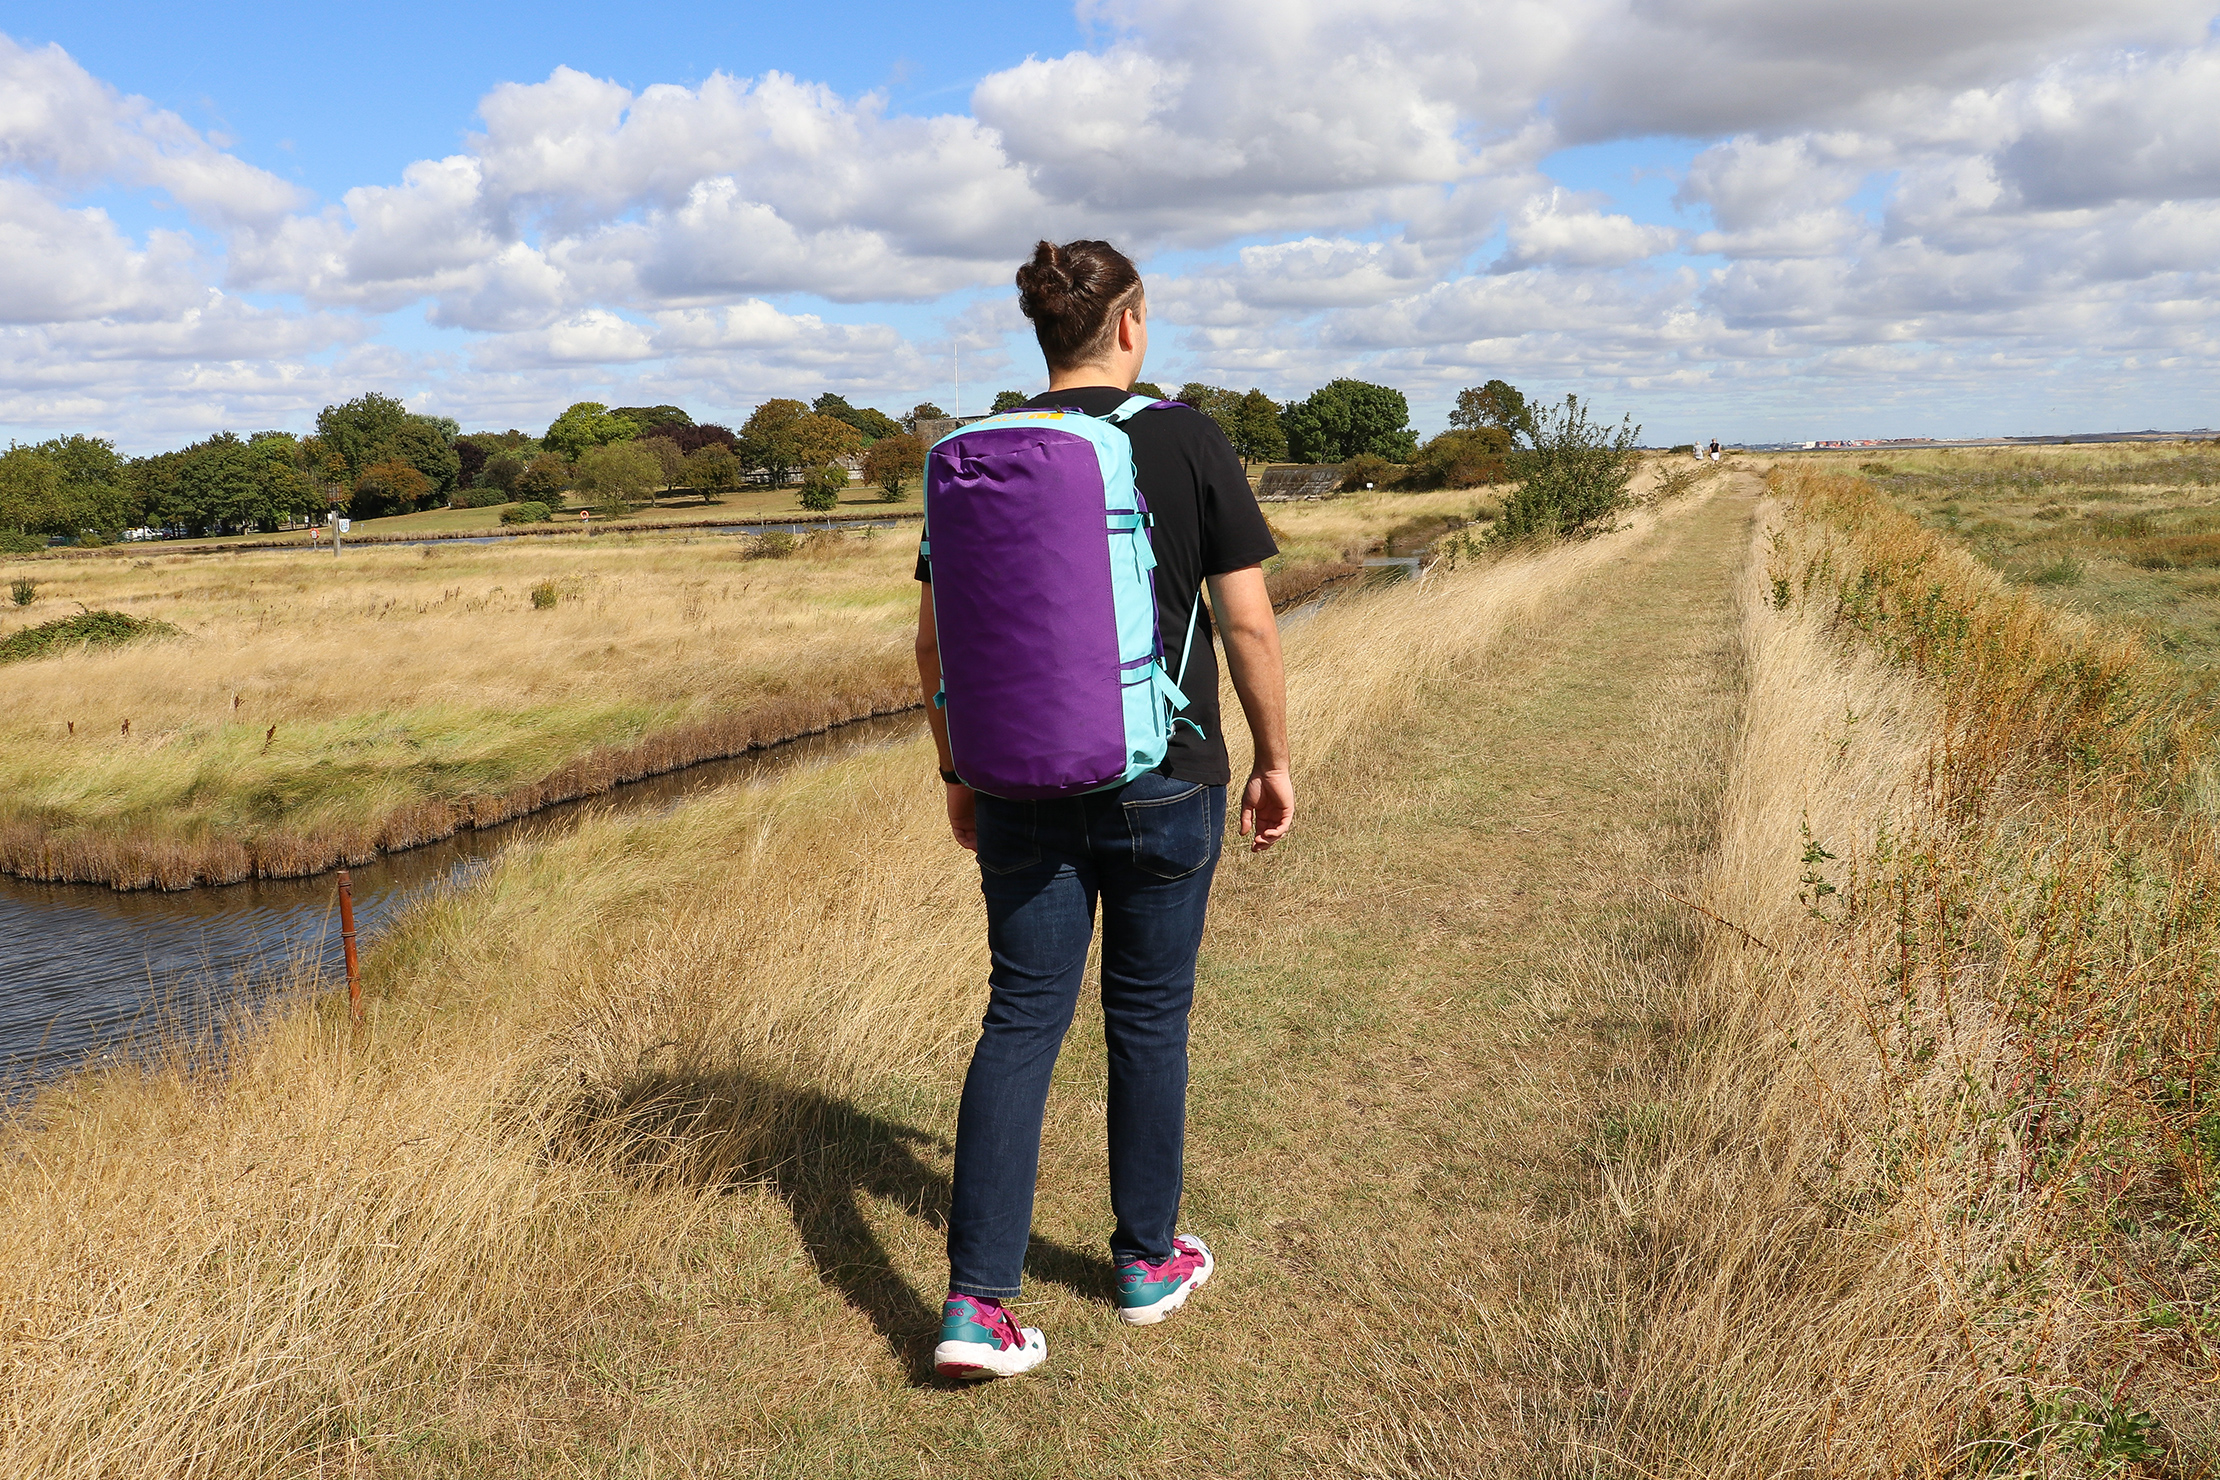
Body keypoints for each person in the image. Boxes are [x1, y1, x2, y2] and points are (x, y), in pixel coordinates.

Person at [915, 239, 1294, 1380]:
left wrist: (958, 776)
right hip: (1166, 778)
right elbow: (1251, 626)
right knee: (1149, 1017)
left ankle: (976, 1307)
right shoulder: (1185, 437)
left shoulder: (979, 453)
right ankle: (1143, 1262)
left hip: (1018, 782)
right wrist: (1276, 757)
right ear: (1129, 322)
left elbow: (931, 642)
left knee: (1020, 1021)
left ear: (1045, 334)